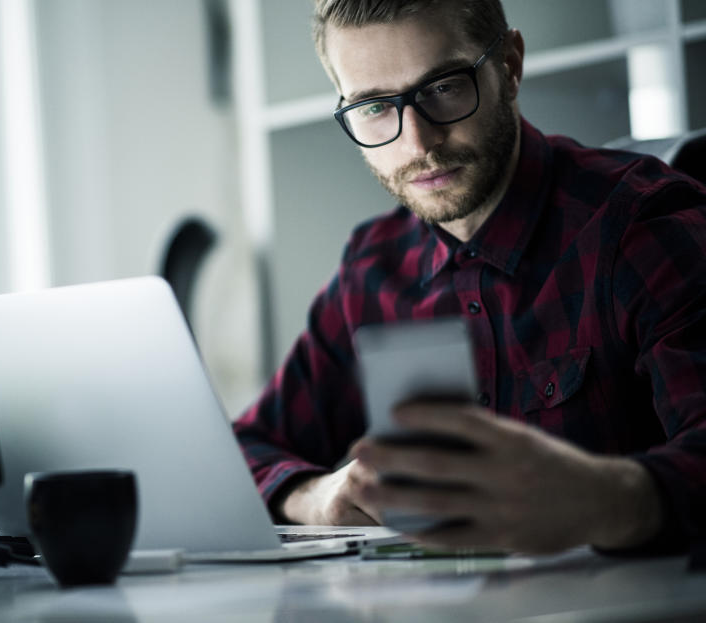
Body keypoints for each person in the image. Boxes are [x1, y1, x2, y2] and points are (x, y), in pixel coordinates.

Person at [232, 0, 706, 555]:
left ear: (509, 65)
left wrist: (607, 499)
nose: (418, 143)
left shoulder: (641, 227)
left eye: (443, 88)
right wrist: (313, 497)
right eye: (375, 107)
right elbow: (246, 446)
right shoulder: (370, 269)